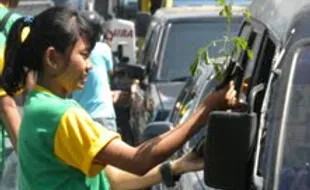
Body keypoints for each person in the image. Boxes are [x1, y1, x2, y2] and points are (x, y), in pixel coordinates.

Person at [1, 7, 237, 189]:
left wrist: (175, 166)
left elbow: (112, 179)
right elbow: (137, 160)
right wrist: (207, 109)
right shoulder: (60, 115)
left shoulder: (38, 106)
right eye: (84, 56)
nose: (90, 66)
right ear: (53, 59)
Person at [71, 11, 119, 132]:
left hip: (80, 117)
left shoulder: (72, 50)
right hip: (103, 114)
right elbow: (110, 74)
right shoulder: (104, 49)